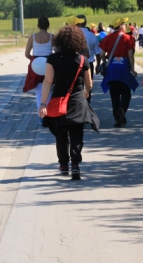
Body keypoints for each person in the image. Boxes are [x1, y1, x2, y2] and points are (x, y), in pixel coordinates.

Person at [40, 25, 100, 180]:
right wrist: (85, 93)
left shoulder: (52, 59)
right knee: (76, 134)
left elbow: (47, 81)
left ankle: (63, 164)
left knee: (61, 134)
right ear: (77, 41)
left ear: (59, 42)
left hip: (59, 101)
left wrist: (43, 104)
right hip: (78, 101)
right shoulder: (82, 60)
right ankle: (75, 165)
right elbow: (90, 84)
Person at [99, 17, 139, 127]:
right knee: (126, 93)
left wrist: (105, 63)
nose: (125, 26)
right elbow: (130, 55)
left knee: (114, 94)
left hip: (112, 70)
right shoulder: (128, 38)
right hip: (123, 69)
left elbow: (102, 54)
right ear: (120, 26)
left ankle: (117, 119)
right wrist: (132, 69)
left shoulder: (107, 38)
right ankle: (122, 108)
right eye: (124, 24)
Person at [24, 17, 55, 125]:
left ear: (38, 26)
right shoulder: (52, 37)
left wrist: (34, 60)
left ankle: (41, 116)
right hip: (49, 63)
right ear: (48, 26)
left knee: (38, 92)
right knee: (49, 89)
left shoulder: (32, 37)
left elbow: (27, 53)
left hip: (36, 65)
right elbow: (57, 51)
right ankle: (49, 115)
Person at [73, 15, 99, 84]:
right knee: (88, 87)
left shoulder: (73, 35)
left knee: (77, 86)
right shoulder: (92, 35)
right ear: (85, 22)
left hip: (76, 63)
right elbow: (97, 52)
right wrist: (98, 64)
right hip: (89, 64)